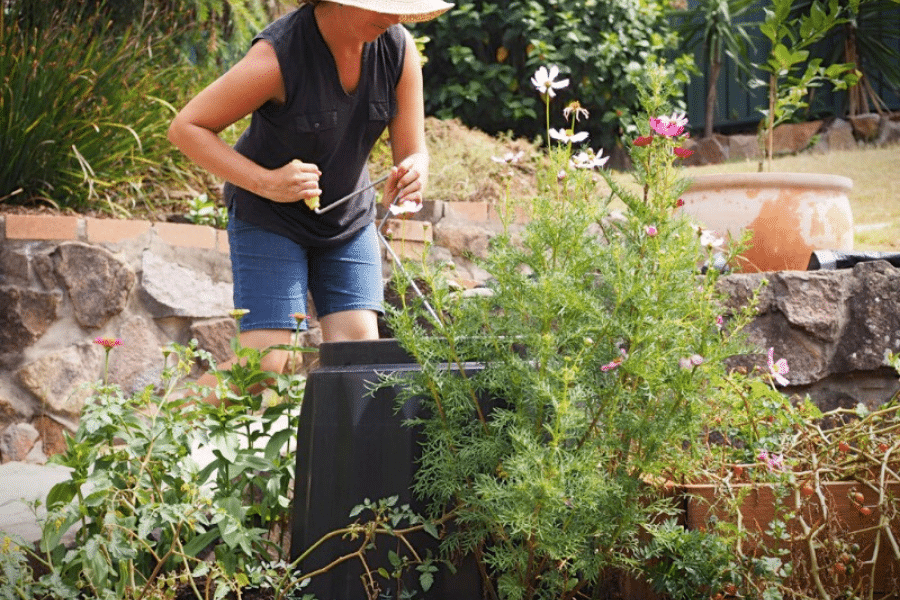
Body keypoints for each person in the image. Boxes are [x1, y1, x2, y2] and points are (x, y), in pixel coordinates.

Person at [167, 0, 453, 402]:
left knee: (359, 364)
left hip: (347, 224)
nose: (395, 17)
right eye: (384, 6)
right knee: (266, 363)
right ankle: (156, 437)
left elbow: (413, 151)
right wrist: (267, 182)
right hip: (270, 217)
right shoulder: (277, 57)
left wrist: (413, 170)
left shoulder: (398, 50)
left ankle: (333, 465)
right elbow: (186, 127)